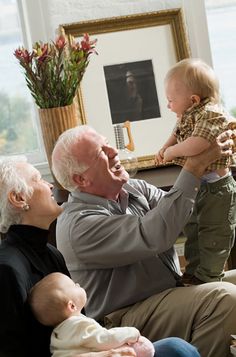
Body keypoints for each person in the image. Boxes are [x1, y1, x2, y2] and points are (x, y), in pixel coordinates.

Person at [52, 124, 236, 357]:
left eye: (108, 142)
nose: (113, 151)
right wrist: (195, 164)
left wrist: (217, 171)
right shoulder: (77, 226)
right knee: (226, 300)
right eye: (101, 151)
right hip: (125, 317)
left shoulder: (133, 188)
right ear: (81, 179)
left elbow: (186, 215)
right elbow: (155, 233)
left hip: (170, 292)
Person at [0, 156, 201, 357]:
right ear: (19, 199)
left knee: (176, 348)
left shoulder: (51, 254)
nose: (50, 185)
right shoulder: (7, 268)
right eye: (38, 179)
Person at [155, 58, 236, 285]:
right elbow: (176, 132)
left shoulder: (211, 114)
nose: (168, 105)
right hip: (198, 184)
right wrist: (164, 147)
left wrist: (171, 152)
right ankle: (193, 271)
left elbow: (197, 144)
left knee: (214, 232)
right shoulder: (187, 114)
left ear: (193, 100)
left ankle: (209, 275)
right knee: (193, 227)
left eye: (171, 100)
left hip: (217, 190)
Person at [29, 272, 155, 357]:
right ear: (72, 306)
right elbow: (104, 339)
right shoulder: (77, 325)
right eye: (74, 285)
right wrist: (131, 333)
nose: (78, 284)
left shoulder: (58, 334)